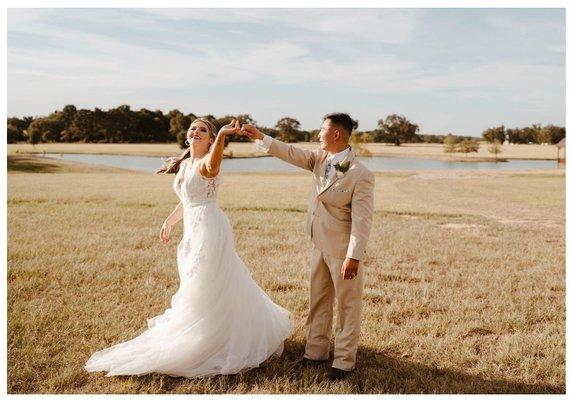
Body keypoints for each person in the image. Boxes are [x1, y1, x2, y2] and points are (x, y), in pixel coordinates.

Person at [85, 118, 292, 378]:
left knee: (208, 281)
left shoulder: (208, 161)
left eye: (203, 130)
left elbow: (213, 164)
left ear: (210, 139)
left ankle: (213, 337)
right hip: (192, 229)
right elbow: (187, 200)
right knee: (195, 280)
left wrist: (223, 137)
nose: (197, 131)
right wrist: (169, 222)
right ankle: (211, 328)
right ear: (187, 135)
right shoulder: (185, 164)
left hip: (209, 228)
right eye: (194, 128)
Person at [241, 113, 374, 380]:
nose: (317, 134)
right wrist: (260, 137)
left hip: (342, 250)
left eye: (322, 130)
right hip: (318, 243)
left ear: (336, 134)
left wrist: (353, 257)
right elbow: (290, 152)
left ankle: (344, 362)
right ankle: (315, 353)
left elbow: (362, 221)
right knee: (318, 301)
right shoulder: (319, 158)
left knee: (348, 306)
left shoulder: (361, 174)